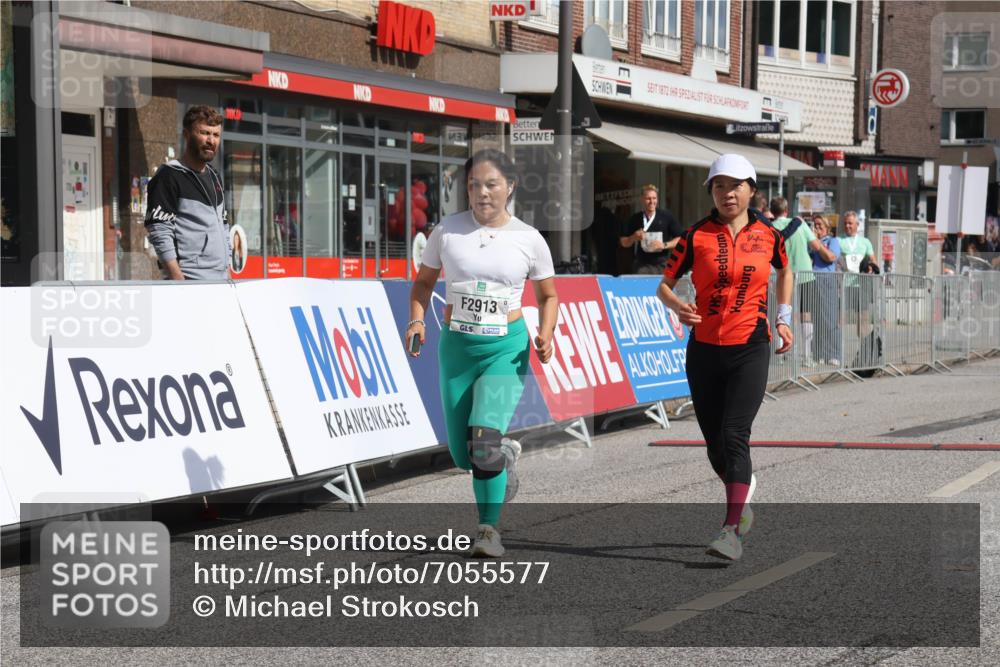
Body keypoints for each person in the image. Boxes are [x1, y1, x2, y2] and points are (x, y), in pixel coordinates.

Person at [405, 149, 559, 558]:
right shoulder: (447, 231)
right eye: (474, 185)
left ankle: (488, 529)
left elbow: (548, 296)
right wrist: (417, 320)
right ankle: (503, 455)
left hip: (505, 349)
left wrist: (545, 333)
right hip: (457, 348)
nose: (482, 193)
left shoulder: (529, 239)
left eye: (491, 184)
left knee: (483, 439)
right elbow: (422, 285)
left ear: (510, 186)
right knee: (462, 453)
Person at [658, 154, 793, 561]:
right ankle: (742, 496)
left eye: (735, 185)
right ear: (711, 192)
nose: (727, 193)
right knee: (715, 444)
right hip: (703, 349)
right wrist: (677, 305)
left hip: (750, 345)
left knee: (736, 435)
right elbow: (664, 284)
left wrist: (783, 318)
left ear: (752, 190)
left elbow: (785, 271)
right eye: (719, 186)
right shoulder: (694, 235)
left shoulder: (770, 235)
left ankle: (730, 530)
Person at [145, 105, 230, 280]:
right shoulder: (169, 176)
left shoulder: (214, 176)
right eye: (205, 133)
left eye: (215, 135)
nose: (211, 141)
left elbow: (224, 224)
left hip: (220, 280)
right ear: (186, 135)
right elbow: (160, 231)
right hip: (190, 281)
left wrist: (226, 269)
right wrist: (179, 282)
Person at [770, 197, 836, 368]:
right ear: (786, 210)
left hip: (780, 275)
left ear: (773, 211)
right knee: (806, 314)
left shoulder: (770, 227)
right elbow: (816, 246)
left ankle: (779, 354)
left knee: (780, 311)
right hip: (804, 274)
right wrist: (828, 254)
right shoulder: (799, 224)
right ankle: (807, 356)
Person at [619, 184, 683, 274]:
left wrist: (664, 245)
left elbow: (682, 239)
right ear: (642, 200)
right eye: (648, 198)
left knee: (662, 288)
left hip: (662, 264)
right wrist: (633, 237)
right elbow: (623, 242)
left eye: (654, 198)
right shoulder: (635, 218)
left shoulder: (666, 216)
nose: (652, 201)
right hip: (642, 265)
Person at [809, 215, 842, 365]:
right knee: (817, 320)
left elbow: (830, 257)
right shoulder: (812, 243)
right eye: (815, 225)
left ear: (827, 228)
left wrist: (818, 245)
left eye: (820, 225)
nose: (817, 228)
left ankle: (833, 354)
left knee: (830, 318)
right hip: (814, 281)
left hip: (827, 281)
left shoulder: (832, 241)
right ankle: (819, 353)